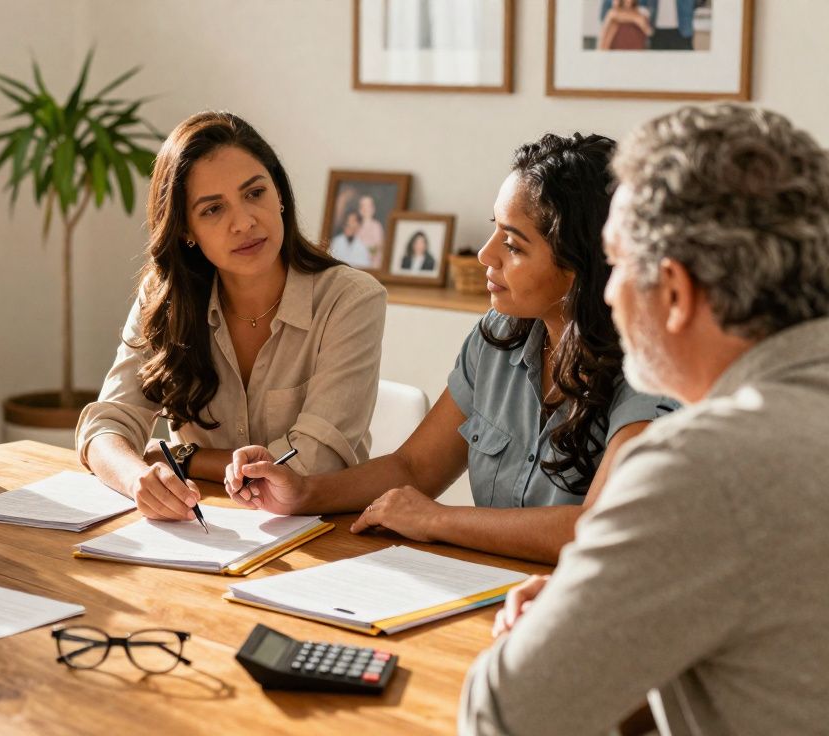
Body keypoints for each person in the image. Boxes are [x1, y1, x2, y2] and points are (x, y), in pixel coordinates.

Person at [461, 104, 829, 735]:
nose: (607, 294)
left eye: (617, 266)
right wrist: (611, 597)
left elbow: (507, 715)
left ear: (677, 293)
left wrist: (578, 601)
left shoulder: (703, 464)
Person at [226, 133, 675, 564]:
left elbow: (595, 528)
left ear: (580, 266)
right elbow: (414, 468)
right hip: (485, 591)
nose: (485, 254)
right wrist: (303, 493)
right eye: (494, 229)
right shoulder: (499, 334)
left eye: (513, 245)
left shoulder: (651, 371)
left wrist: (437, 519)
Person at [76, 111, 387, 522]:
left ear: (279, 194)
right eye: (212, 210)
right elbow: (105, 426)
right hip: (203, 530)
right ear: (186, 230)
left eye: (254, 193)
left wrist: (186, 456)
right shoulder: (166, 297)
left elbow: (313, 464)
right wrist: (138, 479)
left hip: (320, 536)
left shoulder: (349, 300)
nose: (244, 222)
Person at [354, 193, 386, 263]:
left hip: (371, 261)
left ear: (373, 208)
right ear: (359, 209)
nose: (366, 209)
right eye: (363, 206)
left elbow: (378, 246)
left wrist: (370, 255)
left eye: (369, 206)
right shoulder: (356, 226)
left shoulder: (376, 226)